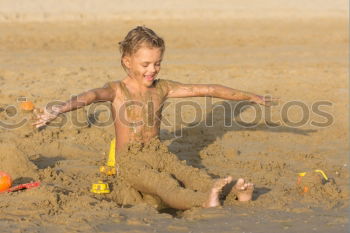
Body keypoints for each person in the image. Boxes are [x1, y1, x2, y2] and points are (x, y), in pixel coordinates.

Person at [34, 26, 274, 210]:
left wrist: (249, 96)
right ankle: (205, 201)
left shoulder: (163, 88)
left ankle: (237, 194)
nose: (152, 70)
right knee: (165, 186)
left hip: (158, 152)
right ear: (127, 62)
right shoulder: (117, 90)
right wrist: (58, 109)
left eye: (157, 63)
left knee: (193, 175)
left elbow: (208, 89)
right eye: (145, 64)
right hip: (130, 161)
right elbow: (91, 95)